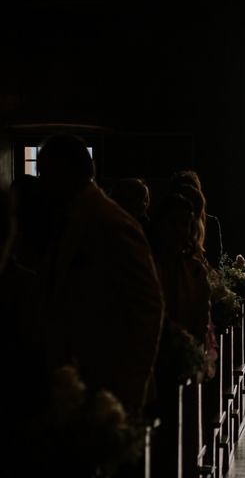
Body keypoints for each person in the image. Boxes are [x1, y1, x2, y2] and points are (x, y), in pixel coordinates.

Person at [36, 134, 164, 419]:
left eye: (45, 173)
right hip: (83, 378)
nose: (41, 183)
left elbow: (147, 305)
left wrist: (129, 388)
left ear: (66, 171)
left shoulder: (109, 222)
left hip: (109, 384)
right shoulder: (74, 217)